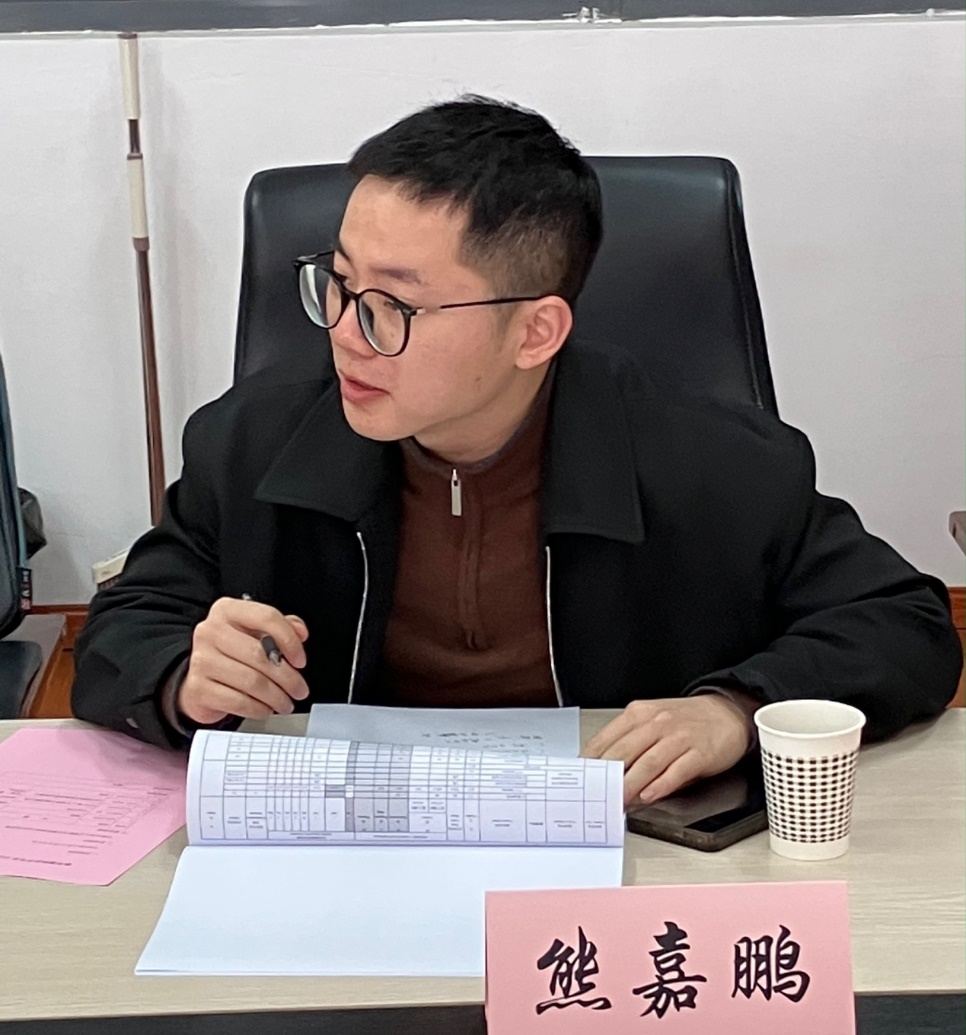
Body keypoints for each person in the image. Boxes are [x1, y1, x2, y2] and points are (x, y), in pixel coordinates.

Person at [71, 97, 962, 807]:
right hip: (348, 833)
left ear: (536, 331)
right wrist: (182, 674)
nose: (344, 332)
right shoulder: (250, 442)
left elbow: (905, 624)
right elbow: (125, 622)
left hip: (623, 840)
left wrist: (737, 707)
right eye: (338, 283)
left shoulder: (722, 467)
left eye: (394, 306)